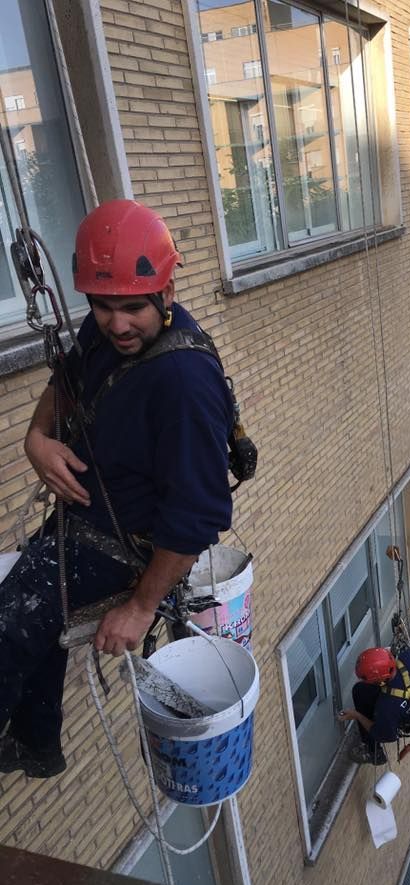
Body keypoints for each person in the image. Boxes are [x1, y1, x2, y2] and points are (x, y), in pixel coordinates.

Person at [0, 199, 234, 778]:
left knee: (8, 626)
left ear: (167, 293)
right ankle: (36, 742)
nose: (117, 324)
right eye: (103, 307)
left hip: (125, 544)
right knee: (30, 614)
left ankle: (33, 742)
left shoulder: (183, 384)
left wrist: (140, 606)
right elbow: (70, 374)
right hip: (87, 516)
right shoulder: (105, 333)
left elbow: (198, 517)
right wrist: (36, 438)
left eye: (132, 308)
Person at [339, 645, 410, 765]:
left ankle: (374, 752)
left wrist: (356, 715)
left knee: (360, 691)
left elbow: (385, 735)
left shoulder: (386, 707)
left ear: (379, 681)